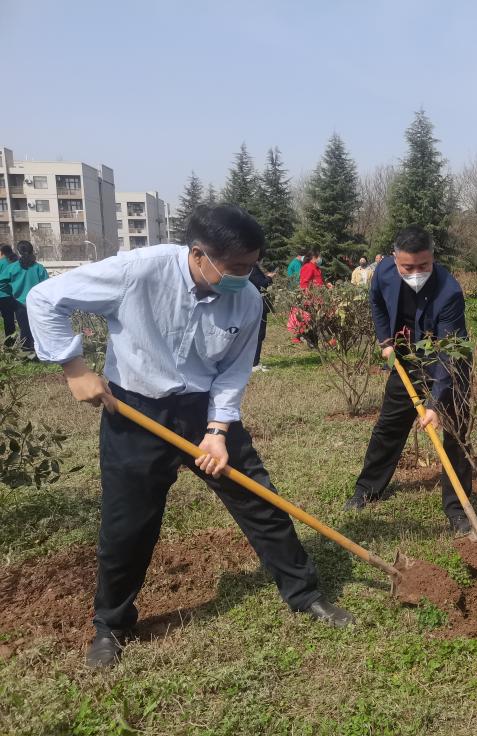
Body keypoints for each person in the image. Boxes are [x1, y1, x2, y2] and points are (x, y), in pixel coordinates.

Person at [26, 204, 354, 669]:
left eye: (253, 265)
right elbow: (43, 298)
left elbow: (233, 371)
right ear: (199, 254)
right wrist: (74, 368)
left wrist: (217, 431)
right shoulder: (137, 272)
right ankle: (111, 626)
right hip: (135, 410)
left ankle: (304, 594)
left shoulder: (248, 298)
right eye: (236, 267)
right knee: (128, 524)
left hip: (203, 410)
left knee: (259, 499)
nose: (248, 276)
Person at [344, 225, 473, 534]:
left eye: (424, 266)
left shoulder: (449, 292)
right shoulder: (384, 272)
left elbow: (447, 353)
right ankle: (368, 489)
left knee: (455, 433)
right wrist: (384, 339)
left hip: (449, 365)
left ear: (433, 259)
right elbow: (376, 301)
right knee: (389, 426)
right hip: (407, 360)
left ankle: (457, 507)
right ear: (394, 259)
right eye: (408, 267)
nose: (416, 272)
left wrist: (433, 403)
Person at [9, 241, 48, 353]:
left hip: (19, 303)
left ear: (18, 252)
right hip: (36, 304)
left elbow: (2, 282)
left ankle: (26, 352)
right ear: (32, 250)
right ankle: (40, 352)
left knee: (24, 329)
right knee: (38, 329)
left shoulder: (12, 268)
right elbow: (46, 287)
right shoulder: (39, 268)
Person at [249, 261, 275, 372]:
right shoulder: (253, 268)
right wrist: (269, 278)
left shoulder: (250, 267)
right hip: (258, 305)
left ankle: (253, 361)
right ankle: (254, 363)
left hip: (254, 305)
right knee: (259, 334)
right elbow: (260, 284)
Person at [0, 244, 19, 345]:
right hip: (10, 296)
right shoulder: (14, 262)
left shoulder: (1, 263)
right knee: (9, 321)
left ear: (1, 252)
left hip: (1, 295)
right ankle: (10, 344)